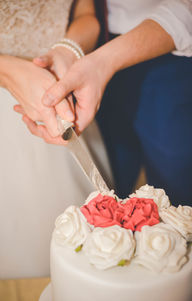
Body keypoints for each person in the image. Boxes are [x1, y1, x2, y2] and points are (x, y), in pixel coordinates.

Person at [19, 0, 192, 220]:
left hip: (171, 53)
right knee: (107, 194)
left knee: (177, 201)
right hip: (83, 63)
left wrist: (98, 60)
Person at [0, 0, 112, 279]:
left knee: (83, 256)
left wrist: (67, 49)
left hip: (62, 87)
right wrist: (7, 70)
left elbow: (87, 15)